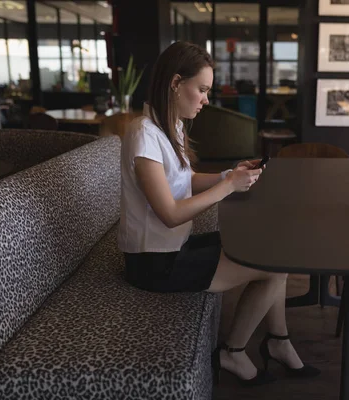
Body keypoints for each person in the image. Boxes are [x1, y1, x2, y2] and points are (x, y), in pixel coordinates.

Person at [118, 41, 320, 387]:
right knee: (273, 266)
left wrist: (229, 175)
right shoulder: (143, 135)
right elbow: (169, 213)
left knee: (276, 255)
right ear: (176, 83)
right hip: (154, 264)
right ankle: (234, 352)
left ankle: (278, 342)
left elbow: (186, 181)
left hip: (173, 248)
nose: (206, 100)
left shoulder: (170, 126)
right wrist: (228, 188)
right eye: (202, 90)